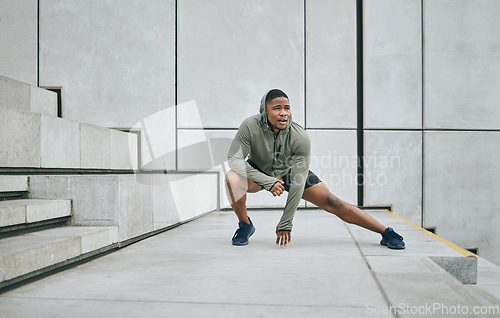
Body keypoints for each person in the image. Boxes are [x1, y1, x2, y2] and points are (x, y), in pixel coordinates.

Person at [225, 89, 405, 249]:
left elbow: (297, 183)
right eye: (277, 108)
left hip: (290, 172)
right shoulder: (250, 126)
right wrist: (268, 181)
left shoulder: (299, 136)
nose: (283, 113)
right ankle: (245, 225)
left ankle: (386, 233)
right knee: (232, 179)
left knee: (333, 202)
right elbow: (234, 159)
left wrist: (286, 222)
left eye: (287, 108)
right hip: (258, 171)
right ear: (265, 110)